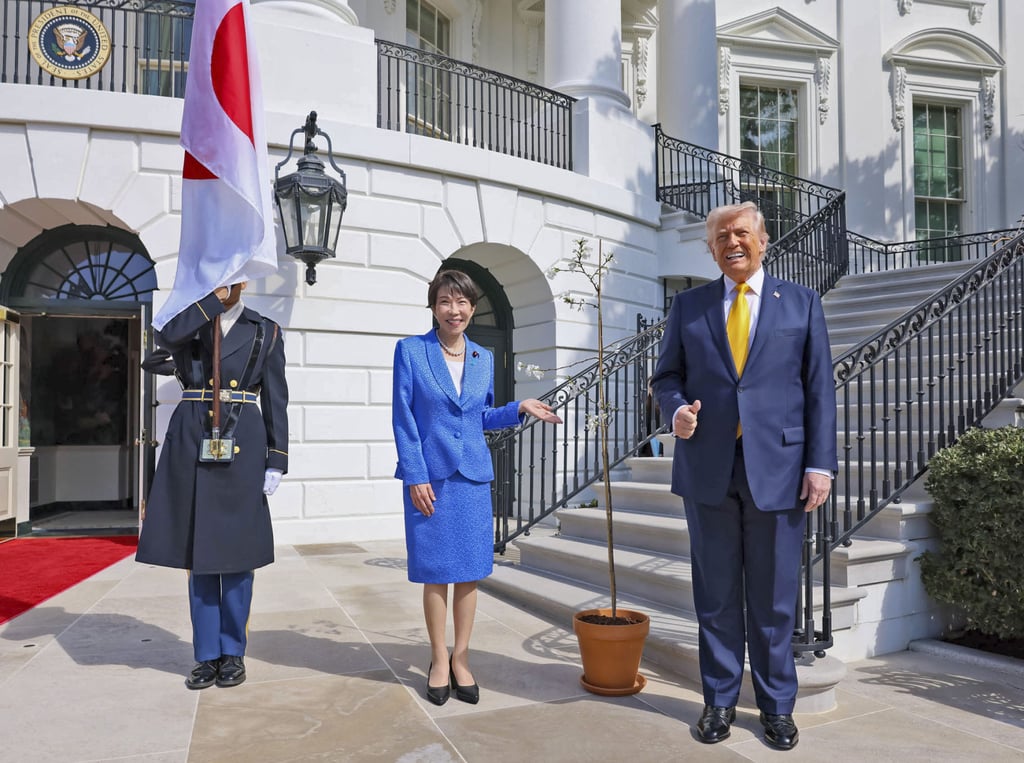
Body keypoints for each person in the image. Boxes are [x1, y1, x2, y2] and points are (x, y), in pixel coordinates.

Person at [651, 202, 836, 751]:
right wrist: (675, 410)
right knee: (716, 595)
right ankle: (720, 702)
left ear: (763, 239)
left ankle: (778, 706)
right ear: (710, 249)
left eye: (741, 233)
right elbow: (666, 377)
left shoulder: (801, 303)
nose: (732, 243)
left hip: (780, 472)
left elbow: (820, 390)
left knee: (776, 598)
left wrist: (819, 464)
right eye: (721, 237)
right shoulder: (688, 306)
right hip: (707, 468)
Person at [392, 268, 562, 706]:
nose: (455, 310)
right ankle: (438, 659)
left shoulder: (483, 358)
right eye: (446, 301)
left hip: (471, 476)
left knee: (468, 575)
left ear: (471, 308)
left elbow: (479, 418)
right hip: (429, 479)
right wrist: (415, 475)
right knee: (434, 574)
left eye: (463, 302)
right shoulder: (411, 352)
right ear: (434, 306)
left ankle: (461, 657)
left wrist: (517, 407)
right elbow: (403, 418)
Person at [136, 282, 288, 690]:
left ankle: (233, 651)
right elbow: (163, 337)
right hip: (192, 438)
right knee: (198, 552)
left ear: (245, 280)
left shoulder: (266, 330)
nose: (227, 281)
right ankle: (206, 655)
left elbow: (276, 399)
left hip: (242, 442)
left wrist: (277, 460)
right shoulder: (191, 322)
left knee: (238, 556)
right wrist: (208, 302)